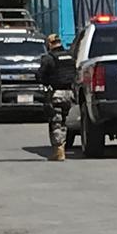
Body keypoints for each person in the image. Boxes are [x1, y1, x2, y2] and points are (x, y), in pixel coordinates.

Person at [38, 33, 78, 161]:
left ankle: (59, 151)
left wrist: (47, 83)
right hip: (70, 94)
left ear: (50, 44)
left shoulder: (49, 58)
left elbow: (40, 76)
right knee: (64, 122)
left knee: (56, 122)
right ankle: (62, 148)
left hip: (57, 94)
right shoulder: (70, 56)